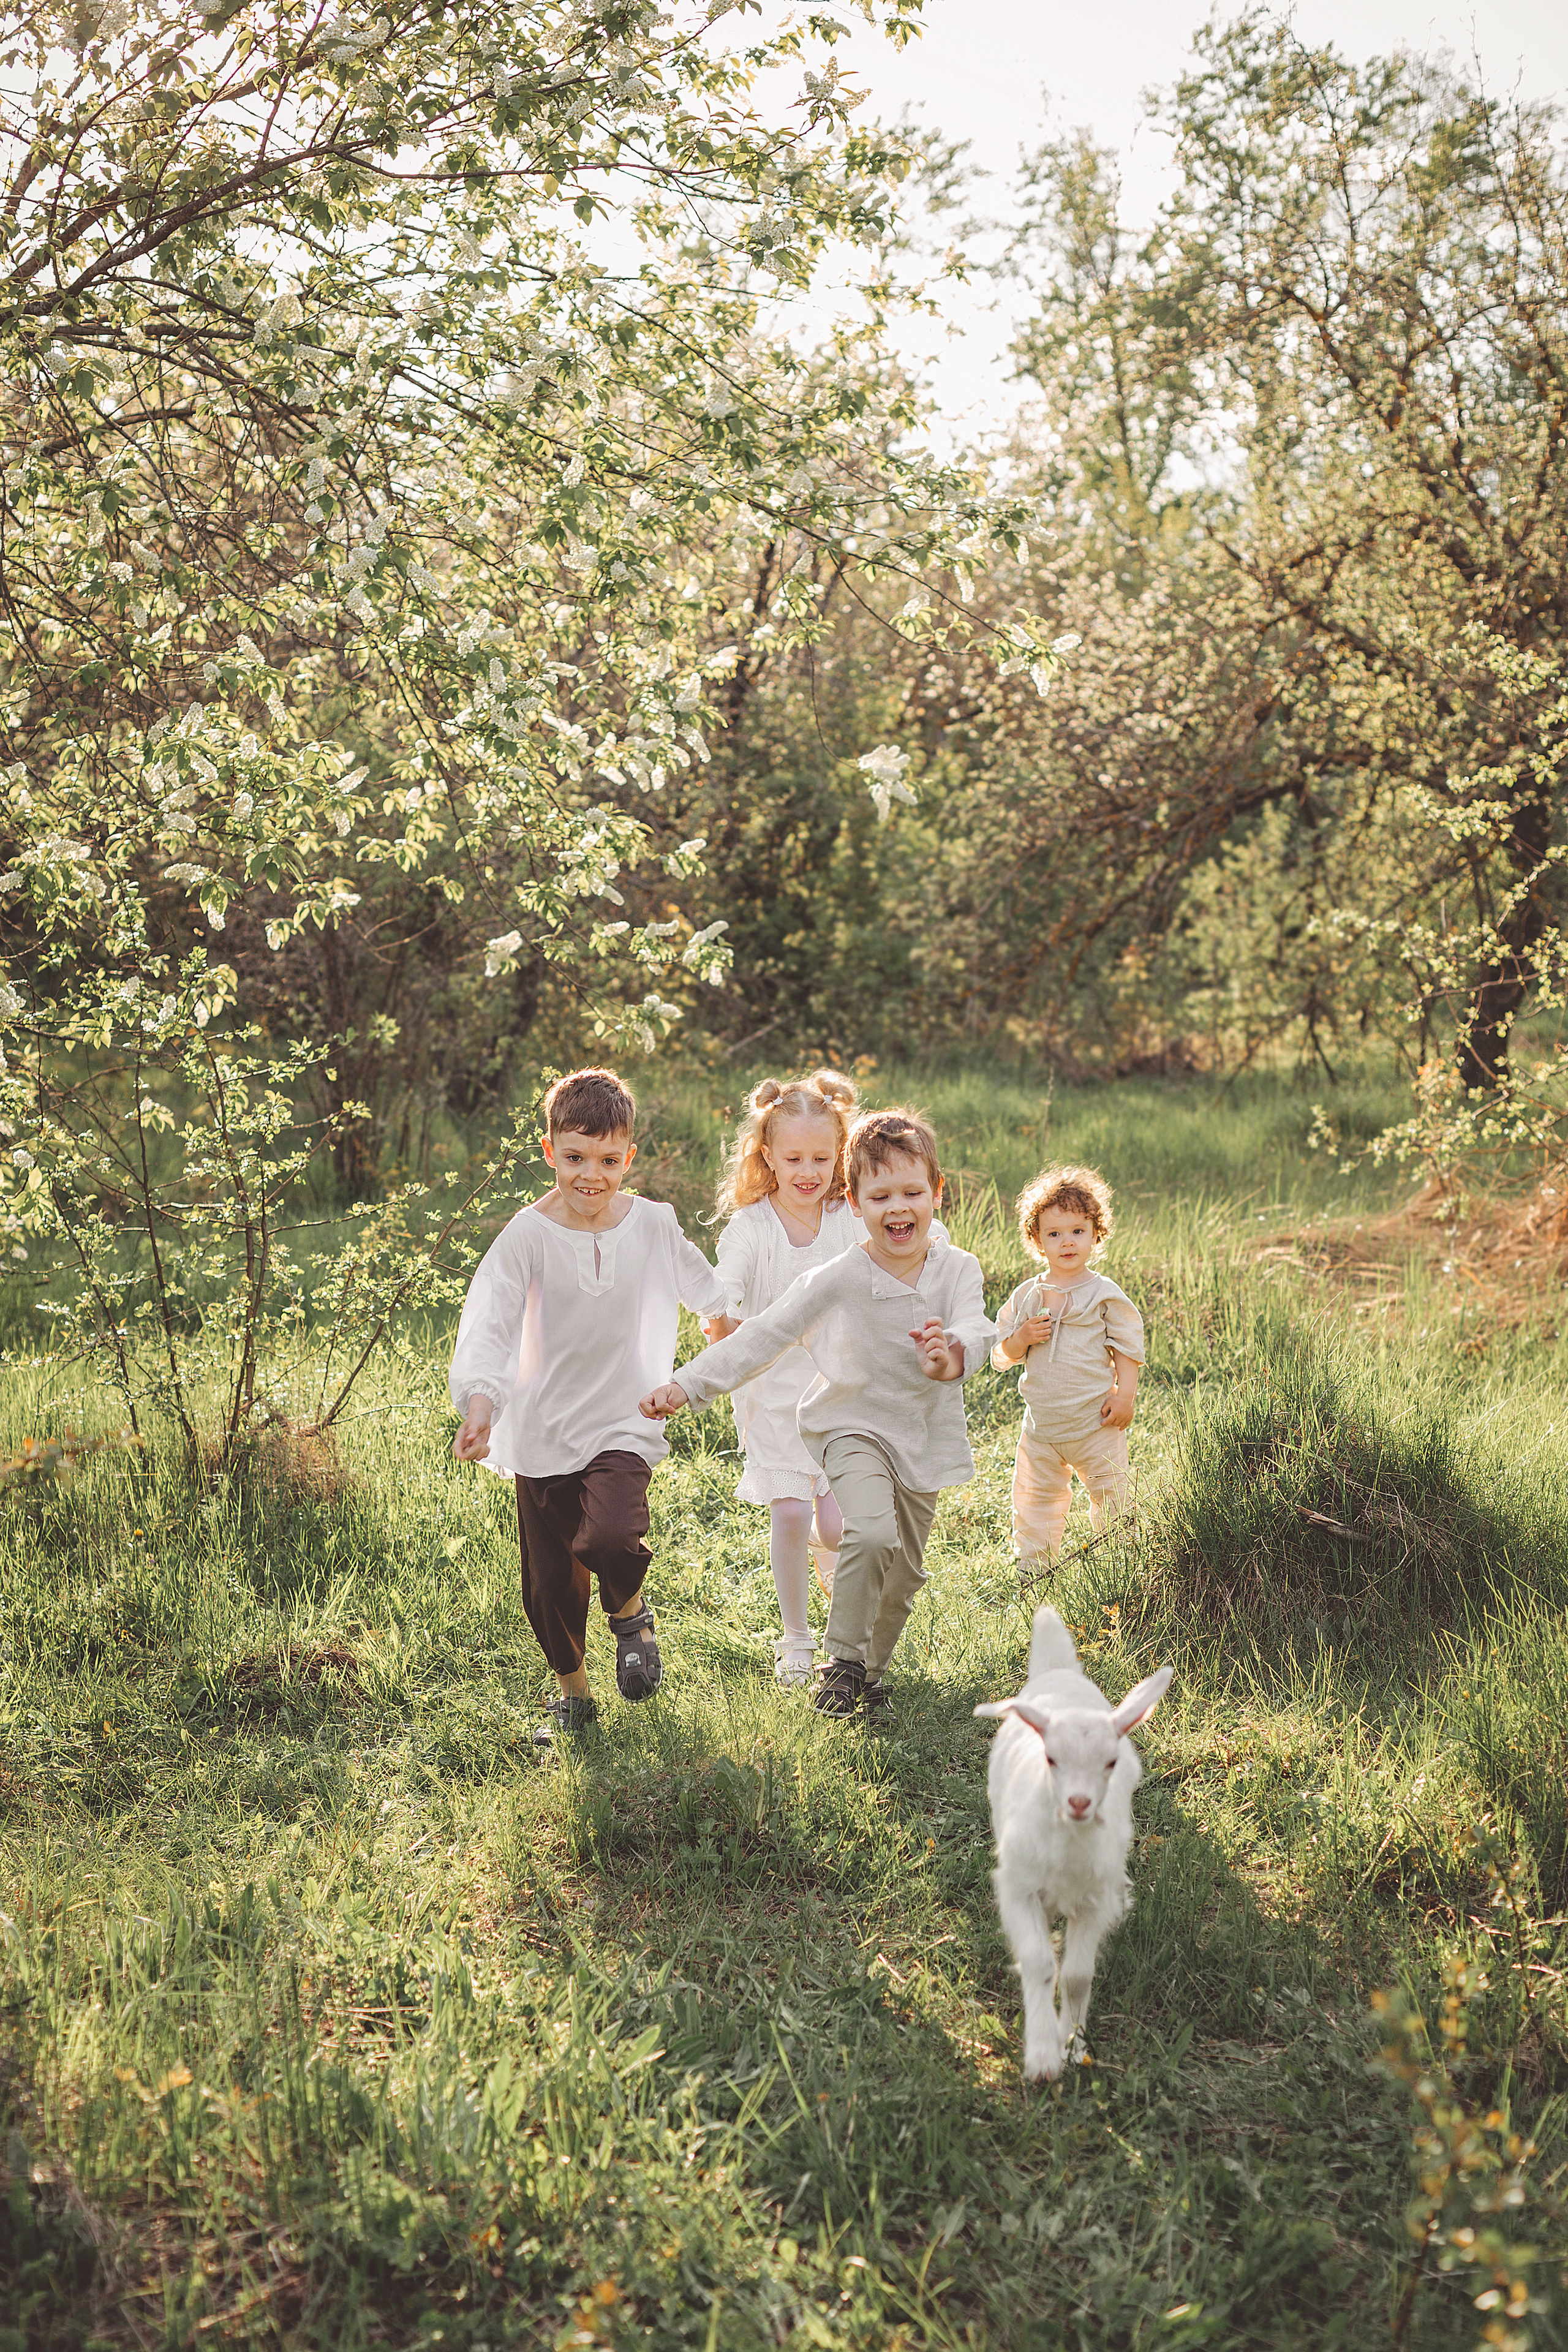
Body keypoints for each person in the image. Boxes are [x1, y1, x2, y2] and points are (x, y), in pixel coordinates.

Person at [641, 1109, 996, 1719]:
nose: (898, 1208)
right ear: (854, 1203)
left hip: (923, 1436)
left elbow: (976, 1327)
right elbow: (764, 1335)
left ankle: (870, 1673)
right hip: (850, 1427)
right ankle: (842, 1664)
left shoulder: (958, 1269)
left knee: (904, 1574)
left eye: (912, 1192)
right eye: (879, 1196)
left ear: (936, 1193)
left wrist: (952, 1354)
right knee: (870, 1532)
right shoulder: (838, 1277)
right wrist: (687, 1385)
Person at [448, 1065, 727, 1751]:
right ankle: (574, 1696)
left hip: (624, 1416)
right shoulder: (527, 1236)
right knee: (549, 1585)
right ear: (549, 1153)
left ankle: (629, 1613)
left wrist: (720, 1318)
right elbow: (492, 1325)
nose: (590, 1176)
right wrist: (481, 1406)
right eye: (574, 1158)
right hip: (542, 1429)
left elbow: (698, 1278)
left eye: (608, 1161)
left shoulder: (653, 1223)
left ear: (629, 1159)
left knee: (608, 1538)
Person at [706, 1070, 861, 1684]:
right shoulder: (753, 1226)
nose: (807, 1170)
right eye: (793, 1157)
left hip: (842, 1391)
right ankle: (797, 1639)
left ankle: (845, 1625)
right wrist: (724, 1317)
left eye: (821, 1157)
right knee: (793, 1513)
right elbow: (727, 1282)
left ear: (839, 1156)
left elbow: (909, 1239)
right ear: (767, 1155)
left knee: (838, 1525)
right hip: (772, 1394)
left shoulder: (847, 1215)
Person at [992, 1164, 1145, 1575]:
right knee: (1035, 1501)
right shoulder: (1029, 1295)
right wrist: (1021, 1338)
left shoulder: (1103, 1294)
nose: (1067, 1242)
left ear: (1096, 1232)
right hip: (1041, 1429)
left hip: (1096, 1424)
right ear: (1038, 1241)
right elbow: (1001, 1353)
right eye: (1054, 1234)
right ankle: (1033, 1572)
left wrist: (1124, 1395)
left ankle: (1118, 1567)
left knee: (1112, 1497)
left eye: (1078, 1231)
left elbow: (1127, 1347)